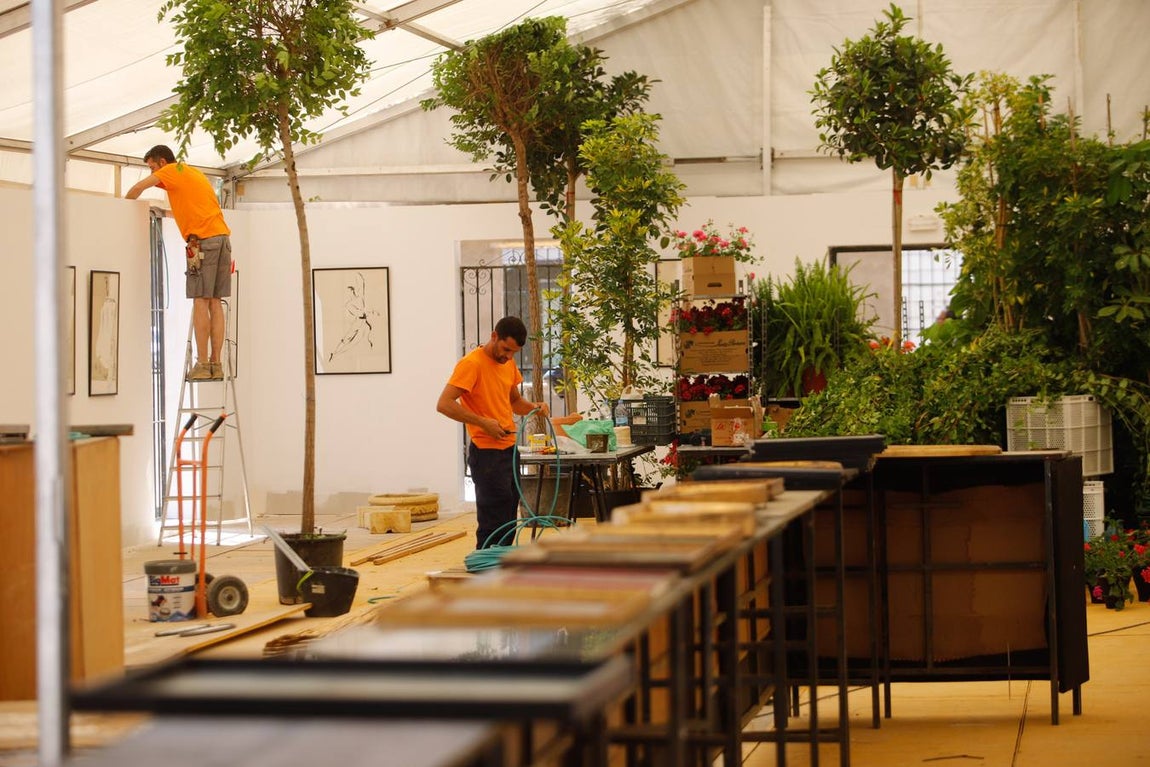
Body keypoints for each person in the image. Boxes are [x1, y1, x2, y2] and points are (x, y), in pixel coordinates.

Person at [436, 317, 548, 549]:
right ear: (494, 336)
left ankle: (503, 569)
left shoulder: (508, 364)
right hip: (486, 454)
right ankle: (486, 566)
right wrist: (483, 423)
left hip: (509, 449)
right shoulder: (471, 364)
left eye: (513, 353)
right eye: (506, 349)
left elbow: (514, 401)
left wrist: (534, 407)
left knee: (509, 515)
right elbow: (444, 404)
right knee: (492, 519)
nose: (508, 357)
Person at [126, 145, 232, 381]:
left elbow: (138, 187)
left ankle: (202, 363)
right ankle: (216, 363)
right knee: (215, 301)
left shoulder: (171, 170)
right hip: (222, 240)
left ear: (162, 162)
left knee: (200, 300)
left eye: (152, 167)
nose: (152, 173)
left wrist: (121, 208)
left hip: (203, 243)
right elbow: (190, 209)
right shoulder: (192, 173)